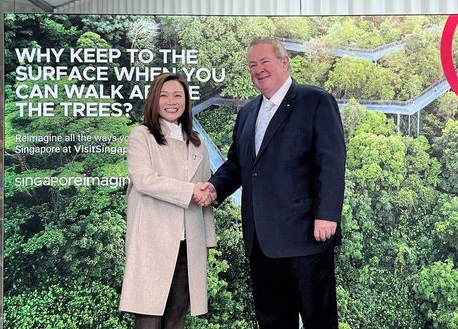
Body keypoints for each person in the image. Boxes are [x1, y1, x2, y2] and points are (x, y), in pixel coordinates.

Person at [199, 37, 346, 329]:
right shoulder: (247, 112)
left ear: (284, 62)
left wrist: (327, 214)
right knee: (272, 323)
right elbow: (239, 165)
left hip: (306, 238)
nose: (258, 69)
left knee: (319, 321)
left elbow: (331, 161)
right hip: (260, 244)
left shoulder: (315, 101)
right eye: (252, 65)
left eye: (265, 61)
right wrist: (214, 187)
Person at [119, 72, 216, 329]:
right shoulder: (142, 135)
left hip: (188, 244)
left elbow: (204, 189)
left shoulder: (198, 143)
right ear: (153, 100)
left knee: (176, 319)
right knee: (149, 319)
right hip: (152, 240)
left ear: (186, 101)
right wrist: (191, 191)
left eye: (177, 95)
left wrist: (207, 238)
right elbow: (144, 180)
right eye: (163, 95)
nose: (171, 101)